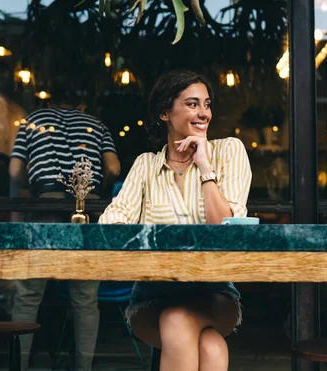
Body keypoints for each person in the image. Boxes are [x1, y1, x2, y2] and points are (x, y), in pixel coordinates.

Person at [98, 69, 252, 371]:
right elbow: (111, 224)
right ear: (165, 112)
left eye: (206, 104)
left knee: (177, 319)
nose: (203, 113)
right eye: (192, 104)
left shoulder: (229, 152)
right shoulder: (144, 166)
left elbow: (224, 228)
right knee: (211, 346)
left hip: (214, 294)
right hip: (153, 296)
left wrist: (205, 165)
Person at [9, 86, 121, 371]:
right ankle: (83, 368)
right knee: (84, 298)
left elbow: (14, 171)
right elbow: (114, 168)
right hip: (86, 208)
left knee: (28, 294)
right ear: (82, 104)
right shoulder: (96, 124)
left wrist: (29, 185)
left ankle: (17, 365)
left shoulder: (33, 120)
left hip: (44, 205)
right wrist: (98, 187)